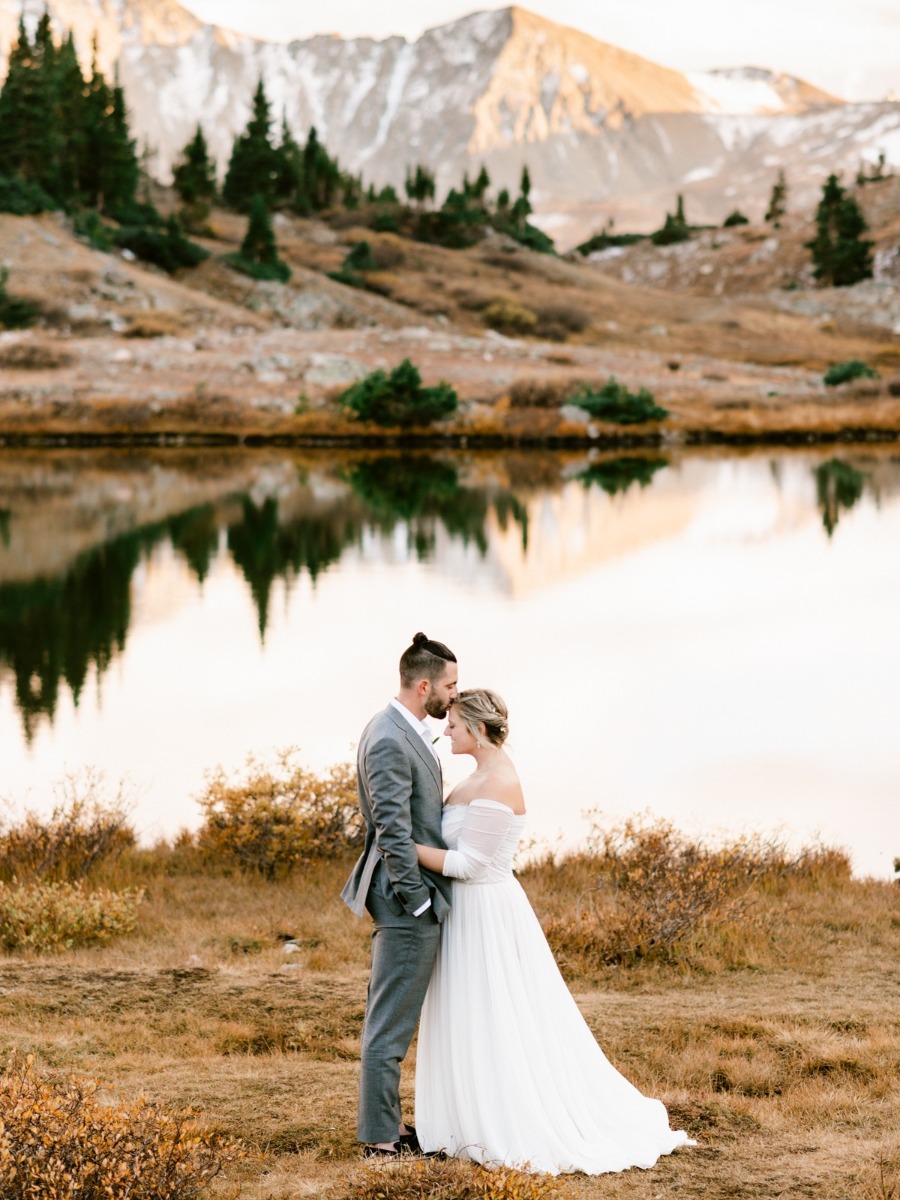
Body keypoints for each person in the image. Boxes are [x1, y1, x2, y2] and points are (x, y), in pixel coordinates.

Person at [413, 688, 693, 1175]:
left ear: (477, 730)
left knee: (495, 1013)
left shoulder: (498, 782)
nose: (447, 731)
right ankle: (464, 1114)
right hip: (466, 915)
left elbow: (470, 863)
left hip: (486, 914)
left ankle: (501, 1117)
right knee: (470, 1011)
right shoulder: (477, 775)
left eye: (454, 725)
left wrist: (402, 846)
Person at [341, 632, 459, 1158]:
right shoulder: (389, 737)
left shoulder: (398, 727)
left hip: (405, 895)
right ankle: (380, 1143)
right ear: (425, 684)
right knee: (389, 1025)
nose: (455, 695)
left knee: (388, 1019)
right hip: (403, 898)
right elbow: (391, 832)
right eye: (451, 686)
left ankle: (386, 1127)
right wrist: (418, 900)